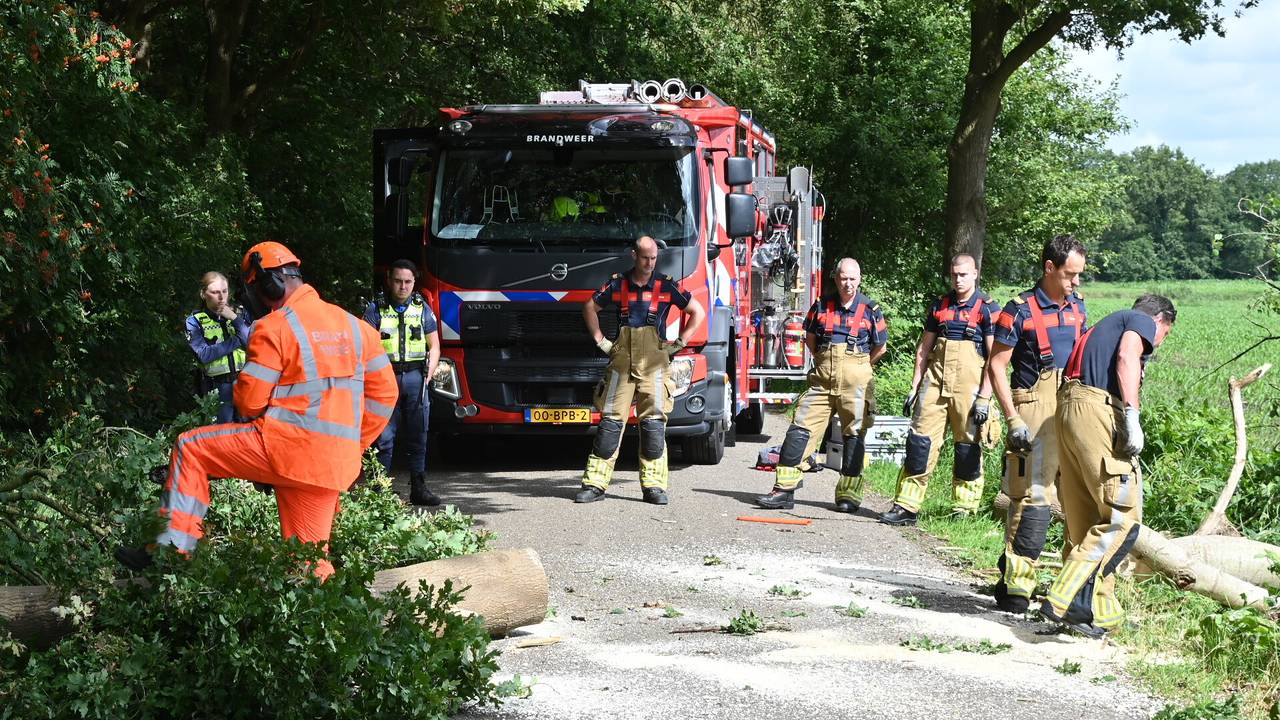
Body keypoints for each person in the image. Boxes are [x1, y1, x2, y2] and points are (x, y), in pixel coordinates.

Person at [116, 241, 397, 579]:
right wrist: (350, 444)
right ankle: (327, 620)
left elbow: (249, 402)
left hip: (281, 448)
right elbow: (385, 396)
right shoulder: (358, 328)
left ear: (268, 283)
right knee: (308, 561)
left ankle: (172, 551)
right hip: (333, 463)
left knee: (191, 448)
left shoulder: (274, 327)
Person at [1038, 294, 1176, 638]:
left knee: (1086, 523)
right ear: (1160, 320)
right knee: (1121, 518)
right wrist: (1132, 415)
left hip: (1068, 411)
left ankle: (1095, 611)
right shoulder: (1139, 320)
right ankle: (1066, 597)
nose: (1157, 344)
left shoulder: (1098, 330)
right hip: (1097, 410)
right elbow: (1128, 356)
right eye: (1165, 334)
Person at [987, 235, 1088, 613]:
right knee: (1033, 499)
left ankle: (1070, 591)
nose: (1075, 282)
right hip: (1031, 408)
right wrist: (1011, 417)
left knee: (1076, 500)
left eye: (1079, 275)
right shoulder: (1019, 310)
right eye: (1069, 274)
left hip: (1071, 406)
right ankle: (1017, 586)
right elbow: (996, 366)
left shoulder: (1078, 307)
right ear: (1049, 268)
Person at [575, 235, 706, 504]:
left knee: (654, 426)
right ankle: (595, 484)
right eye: (645, 257)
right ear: (634, 255)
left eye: (654, 258)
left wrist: (679, 343)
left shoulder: (666, 286)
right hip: (621, 360)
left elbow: (697, 312)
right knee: (610, 424)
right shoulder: (617, 283)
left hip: (655, 364)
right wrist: (602, 342)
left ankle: (654, 486)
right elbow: (589, 307)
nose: (649, 263)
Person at [756, 258, 887, 512]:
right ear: (836, 279)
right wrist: (824, 361)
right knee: (800, 430)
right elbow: (810, 338)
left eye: (852, 278)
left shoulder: (871, 309)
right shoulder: (821, 306)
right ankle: (784, 489)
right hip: (822, 380)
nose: (848, 283)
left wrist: (858, 366)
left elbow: (880, 346)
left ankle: (848, 496)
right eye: (843, 278)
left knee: (854, 436)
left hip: (856, 383)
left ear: (859, 279)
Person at [881, 254, 1001, 526]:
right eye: (955, 274)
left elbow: (995, 359)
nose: (959, 279)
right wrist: (914, 387)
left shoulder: (988, 308)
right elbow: (924, 349)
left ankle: (964, 510)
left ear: (975, 273)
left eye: (964, 274)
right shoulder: (940, 305)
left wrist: (985, 397)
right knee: (920, 444)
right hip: (934, 384)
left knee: (967, 449)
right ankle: (906, 506)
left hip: (969, 389)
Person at [362, 259, 442, 506]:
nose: (403, 286)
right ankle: (380, 492)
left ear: (414, 282)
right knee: (384, 437)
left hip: (416, 378)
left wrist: (430, 371)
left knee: (418, 436)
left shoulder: (422, 307)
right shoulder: (375, 309)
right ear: (389, 280)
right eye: (398, 281)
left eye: (408, 282)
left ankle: (418, 488)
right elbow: (364, 346)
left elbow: (434, 344)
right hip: (385, 380)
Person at [186, 272, 251, 423]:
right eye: (215, 292)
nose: (221, 297)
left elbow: (254, 343)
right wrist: (238, 339)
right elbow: (204, 355)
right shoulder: (195, 321)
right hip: (217, 387)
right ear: (203, 294)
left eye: (224, 291)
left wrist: (235, 319)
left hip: (246, 382)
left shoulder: (240, 314)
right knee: (222, 436)